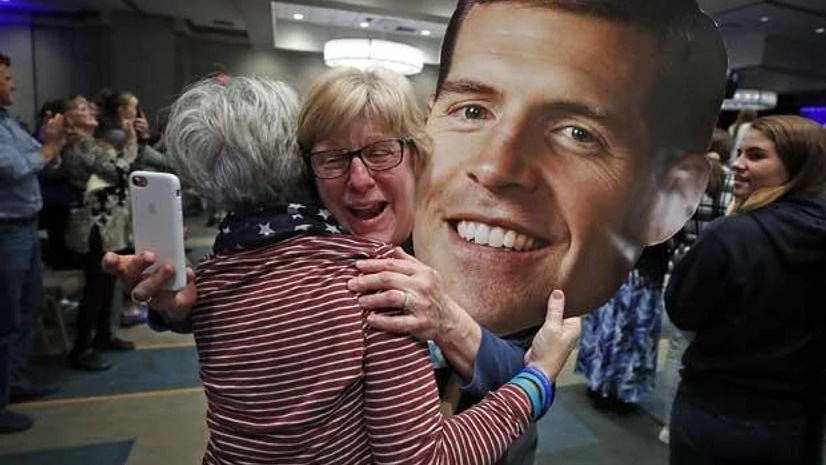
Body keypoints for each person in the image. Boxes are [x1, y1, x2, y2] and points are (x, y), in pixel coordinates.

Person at [161, 74, 582, 464]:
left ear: (417, 156)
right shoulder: (325, 260)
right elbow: (250, 307)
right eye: (333, 159)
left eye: (381, 152)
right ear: (308, 174)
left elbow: (522, 366)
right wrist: (171, 305)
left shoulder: (483, 244)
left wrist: (448, 321)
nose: (359, 179)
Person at [666, 115, 826, 464]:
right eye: (740, 153)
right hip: (797, 422)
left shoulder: (731, 235)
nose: (737, 164)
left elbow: (682, 309)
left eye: (755, 156)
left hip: (718, 412)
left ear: (798, 166)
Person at [0, 52, 65, 433]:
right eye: (6, 77)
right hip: (5, 232)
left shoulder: (8, 123)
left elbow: (39, 157)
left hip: (23, 228)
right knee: (5, 320)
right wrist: (47, 150)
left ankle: (16, 382)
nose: (13, 84)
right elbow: (15, 166)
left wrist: (45, 151)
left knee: (27, 309)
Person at [658, 127, 735, 444]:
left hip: (682, 270)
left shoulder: (685, 179)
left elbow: (669, 224)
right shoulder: (733, 182)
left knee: (678, 351)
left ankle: (668, 424)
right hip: (723, 274)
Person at [61, 95, 139, 371]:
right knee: (95, 287)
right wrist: (131, 140)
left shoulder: (95, 143)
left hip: (110, 223)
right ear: (68, 118)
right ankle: (82, 348)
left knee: (108, 284)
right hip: (94, 224)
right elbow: (120, 170)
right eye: (82, 108)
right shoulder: (79, 145)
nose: (91, 109)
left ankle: (104, 336)